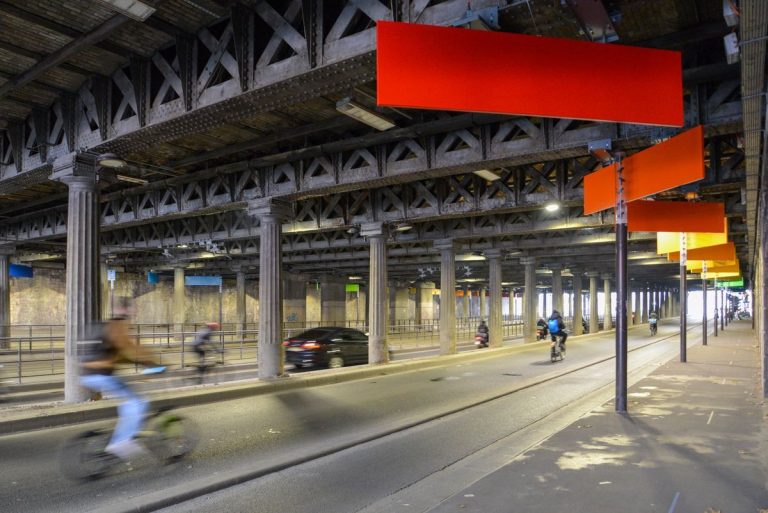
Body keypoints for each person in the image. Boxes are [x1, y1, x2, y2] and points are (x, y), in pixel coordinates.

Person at [79, 298, 159, 460]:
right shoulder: (118, 326)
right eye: (133, 310)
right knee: (139, 403)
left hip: (87, 374)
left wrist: (141, 362)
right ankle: (122, 441)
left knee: (128, 404)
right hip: (101, 374)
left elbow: (124, 354)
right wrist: (152, 363)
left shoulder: (107, 325)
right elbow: (130, 348)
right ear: (128, 311)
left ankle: (122, 433)